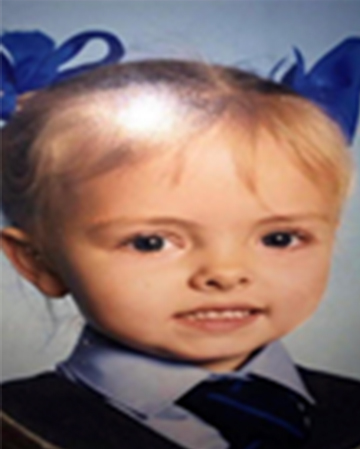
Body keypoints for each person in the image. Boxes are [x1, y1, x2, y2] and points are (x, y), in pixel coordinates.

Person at [1, 30, 360, 449]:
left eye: (280, 238)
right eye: (151, 242)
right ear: (38, 262)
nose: (225, 274)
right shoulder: (15, 428)